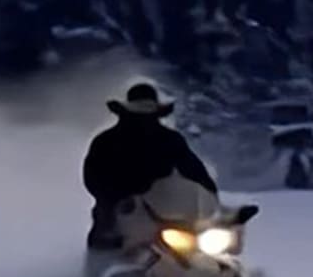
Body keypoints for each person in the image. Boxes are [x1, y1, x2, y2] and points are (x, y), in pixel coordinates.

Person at [80, 81, 215, 246]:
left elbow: (192, 168)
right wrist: (114, 196)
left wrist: (208, 191)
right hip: (119, 210)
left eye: (148, 112)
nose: (143, 119)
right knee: (107, 239)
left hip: (166, 207)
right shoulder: (106, 141)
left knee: (199, 245)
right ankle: (103, 259)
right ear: (127, 111)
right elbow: (92, 176)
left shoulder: (170, 140)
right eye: (138, 112)